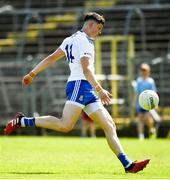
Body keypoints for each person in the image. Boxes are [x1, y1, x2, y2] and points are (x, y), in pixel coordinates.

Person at [4, 12, 150, 173]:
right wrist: (100, 89)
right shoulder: (85, 42)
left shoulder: (70, 39)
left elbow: (51, 58)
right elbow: (86, 69)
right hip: (79, 85)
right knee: (65, 125)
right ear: (90, 25)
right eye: (98, 28)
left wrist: (32, 73)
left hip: (84, 86)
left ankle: (128, 165)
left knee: (109, 125)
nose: (99, 32)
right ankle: (23, 121)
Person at [134, 63, 157, 140]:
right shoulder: (139, 81)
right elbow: (136, 92)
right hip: (140, 103)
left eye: (145, 70)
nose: (144, 72)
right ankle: (141, 135)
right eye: (142, 70)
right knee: (140, 118)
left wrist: (155, 104)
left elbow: (154, 93)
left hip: (149, 103)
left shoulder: (151, 81)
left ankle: (152, 129)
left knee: (148, 117)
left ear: (148, 71)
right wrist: (134, 102)